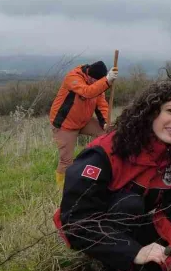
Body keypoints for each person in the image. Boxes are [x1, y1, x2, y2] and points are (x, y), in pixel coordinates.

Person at [56, 74, 171, 271]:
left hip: (135, 223)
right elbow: (75, 222)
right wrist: (134, 251)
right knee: (130, 203)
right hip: (93, 233)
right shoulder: (104, 153)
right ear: (153, 111)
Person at [49, 61, 119, 189]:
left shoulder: (98, 84)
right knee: (66, 160)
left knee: (108, 133)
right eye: (93, 80)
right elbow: (87, 92)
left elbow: (101, 104)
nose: (95, 83)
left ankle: (103, 164)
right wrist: (107, 81)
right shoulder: (73, 77)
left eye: (98, 81)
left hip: (84, 121)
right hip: (65, 124)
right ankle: (62, 189)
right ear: (88, 74)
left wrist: (104, 123)